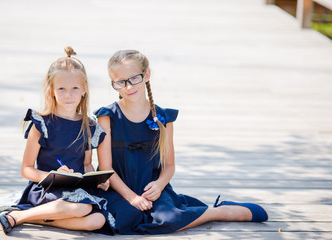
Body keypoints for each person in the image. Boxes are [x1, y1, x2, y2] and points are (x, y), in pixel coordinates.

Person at [94, 50, 268, 235]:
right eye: (120, 82)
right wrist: (132, 198)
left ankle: (220, 212)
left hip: (152, 187)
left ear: (147, 75)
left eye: (134, 78)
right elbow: (106, 169)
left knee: (169, 219)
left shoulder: (163, 118)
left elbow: (169, 165)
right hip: (119, 189)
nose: (129, 87)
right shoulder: (107, 117)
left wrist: (159, 185)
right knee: (123, 219)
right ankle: (172, 210)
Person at [0, 47, 114, 235]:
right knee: (81, 209)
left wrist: (96, 181)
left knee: (97, 220)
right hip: (47, 189)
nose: (68, 94)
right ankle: (17, 217)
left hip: (76, 191)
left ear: (84, 88)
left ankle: (27, 215)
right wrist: (52, 175)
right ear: (51, 90)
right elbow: (26, 168)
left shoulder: (88, 126)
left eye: (75, 88)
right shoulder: (42, 124)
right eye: (62, 89)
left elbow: (87, 164)